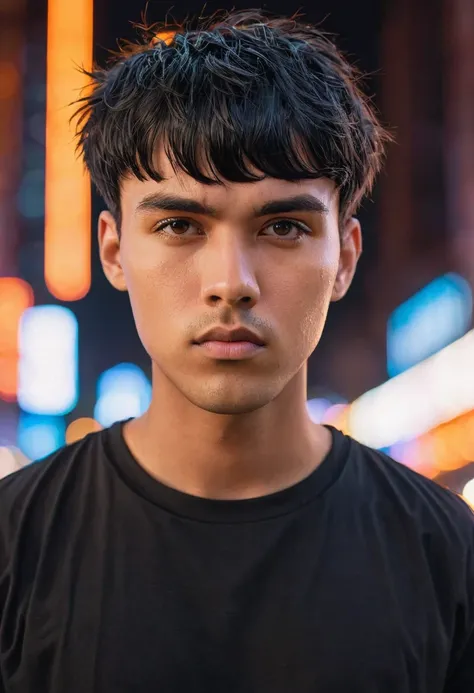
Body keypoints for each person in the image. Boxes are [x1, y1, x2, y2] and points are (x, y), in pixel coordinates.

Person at [0, 9, 473, 692]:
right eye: (179, 224)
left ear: (344, 258)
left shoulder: (444, 553)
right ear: (114, 250)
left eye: (283, 226)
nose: (231, 283)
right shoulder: (17, 543)